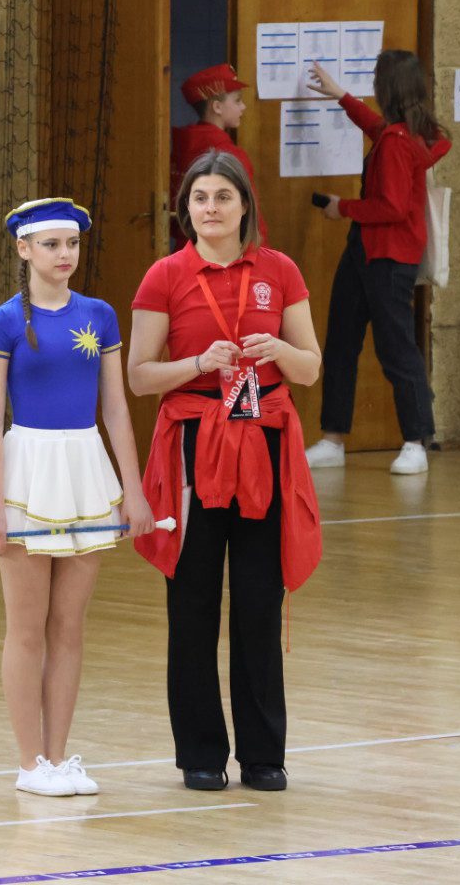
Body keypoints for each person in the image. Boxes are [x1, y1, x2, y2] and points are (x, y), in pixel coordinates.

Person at [127, 152, 322, 793]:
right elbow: (139, 376)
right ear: (186, 210)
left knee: (260, 602)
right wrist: (197, 365)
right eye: (199, 198)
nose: (210, 208)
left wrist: (281, 350)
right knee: (193, 602)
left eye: (222, 197)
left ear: (244, 206)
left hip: (262, 441)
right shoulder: (165, 275)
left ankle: (264, 755)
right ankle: (201, 754)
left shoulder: (279, 270)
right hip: (193, 444)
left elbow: (310, 368)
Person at [0, 197, 157, 797]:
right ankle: (30, 765)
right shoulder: (2, 322)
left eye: (72, 243)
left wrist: (133, 491)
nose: (64, 254)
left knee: (69, 627)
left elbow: (115, 411)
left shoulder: (100, 315)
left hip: (84, 473)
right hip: (27, 474)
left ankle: (58, 758)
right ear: (24, 249)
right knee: (26, 629)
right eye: (51, 244)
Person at [303, 51, 450, 476]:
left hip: (389, 259)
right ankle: (333, 439)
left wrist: (343, 207)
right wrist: (340, 95)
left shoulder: (398, 144)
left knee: (396, 350)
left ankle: (416, 442)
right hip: (363, 253)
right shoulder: (402, 135)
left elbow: (392, 207)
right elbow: (376, 127)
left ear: (388, 87)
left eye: (376, 78)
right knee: (341, 343)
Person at [171, 64, 267, 248]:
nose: (243, 107)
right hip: (226, 252)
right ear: (217, 107)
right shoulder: (231, 156)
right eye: (237, 101)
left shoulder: (180, 150)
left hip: (187, 249)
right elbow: (251, 220)